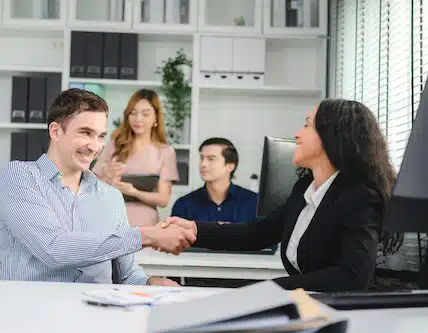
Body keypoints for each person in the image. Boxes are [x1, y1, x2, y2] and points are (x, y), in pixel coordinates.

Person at [162, 98, 403, 292]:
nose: (297, 134)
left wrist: (270, 290)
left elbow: (351, 277)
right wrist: (194, 229)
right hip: (309, 307)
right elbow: (258, 233)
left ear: (331, 137)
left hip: (345, 316)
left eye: (307, 125)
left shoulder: (360, 197)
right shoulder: (305, 189)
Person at [0, 88, 195, 286]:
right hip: (34, 313)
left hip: (98, 312)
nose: (95, 147)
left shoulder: (111, 196)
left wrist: (151, 283)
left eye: (100, 136)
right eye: (85, 133)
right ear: (55, 131)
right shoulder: (19, 177)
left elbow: (128, 276)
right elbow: (53, 249)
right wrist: (148, 235)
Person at [92, 89, 179, 227]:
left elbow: (163, 199)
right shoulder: (114, 146)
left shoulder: (165, 152)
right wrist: (108, 179)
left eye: (145, 114)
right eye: (133, 113)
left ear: (156, 117)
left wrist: (134, 192)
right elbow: (92, 189)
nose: (138, 119)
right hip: (110, 220)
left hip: (145, 224)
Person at [171, 137, 258, 224]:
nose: (203, 164)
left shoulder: (254, 202)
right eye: (201, 158)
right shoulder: (184, 204)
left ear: (230, 166)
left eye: (211, 159)